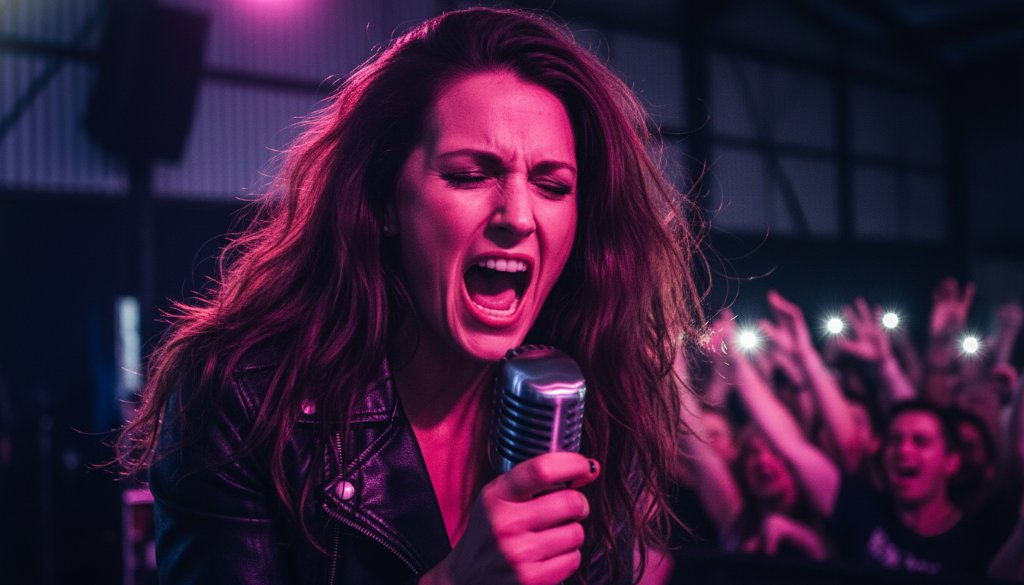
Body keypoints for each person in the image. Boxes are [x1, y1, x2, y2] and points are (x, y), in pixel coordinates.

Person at [115, 7, 705, 585]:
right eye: (470, 176)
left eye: (552, 186)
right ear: (386, 200)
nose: (519, 216)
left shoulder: (591, 397)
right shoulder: (243, 397)